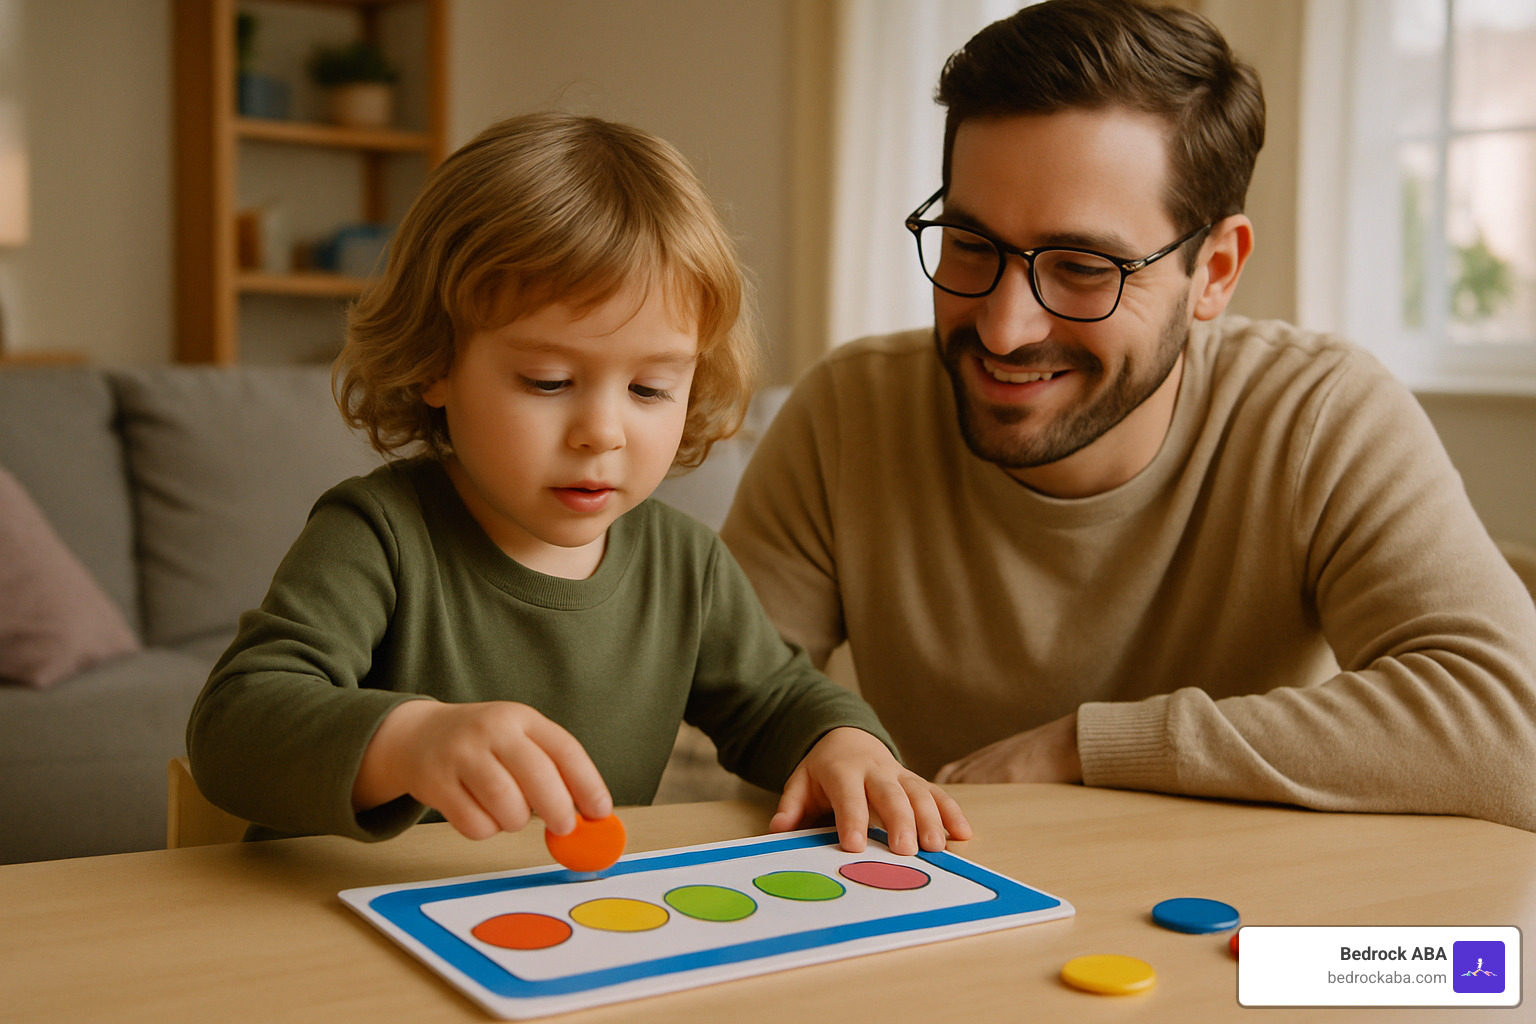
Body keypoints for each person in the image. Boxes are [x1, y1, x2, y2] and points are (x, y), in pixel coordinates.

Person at [720, 0, 1536, 830]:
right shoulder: (847, 414)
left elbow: (1515, 735)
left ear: (1214, 271)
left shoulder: (1318, 416)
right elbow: (712, 706)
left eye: (1081, 267)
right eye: (971, 246)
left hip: (1232, 927)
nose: (1004, 327)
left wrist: (1084, 748)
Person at [186, 112, 970, 857]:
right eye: (549, 380)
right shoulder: (378, 534)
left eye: (651, 389)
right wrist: (407, 742)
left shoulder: (684, 566)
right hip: (334, 933)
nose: (604, 431)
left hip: (555, 939)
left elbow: (776, 699)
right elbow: (233, 727)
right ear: (435, 361)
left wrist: (848, 745)